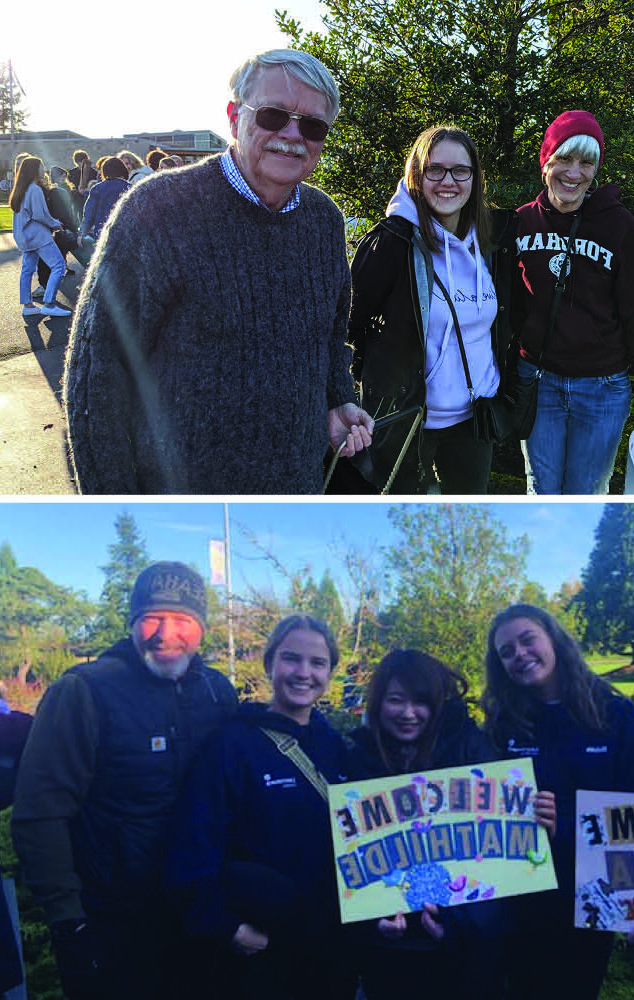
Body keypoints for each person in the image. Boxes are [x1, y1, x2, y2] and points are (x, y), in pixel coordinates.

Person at [61, 48, 372, 493]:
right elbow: (96, 372)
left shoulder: (324, 221)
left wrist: (337, 400)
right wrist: (115, 510)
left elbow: (329, 337)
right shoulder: (159, 209)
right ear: (233, 116)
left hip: (296, 497)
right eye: (272, 115)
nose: (291, 134)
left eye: (312, 124)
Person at [13, 562, 240, 1000]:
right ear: (133, 623)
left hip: (197, 915)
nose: (165, 632)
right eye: (152, 617)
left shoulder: (217, 691)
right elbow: (39, 815)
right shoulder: (84, 692)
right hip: (112, 923)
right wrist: (69, 923)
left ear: (202, 630)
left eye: (182, 620)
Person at [168, 616, 352, 1000]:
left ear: (330, 672)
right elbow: (193, 846)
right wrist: (226, 927)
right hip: (262, 947)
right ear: (269, 664)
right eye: (291, 659)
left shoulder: (335, 745)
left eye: (317, 663)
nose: (303, 673)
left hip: (328, 947)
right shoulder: (231, 745)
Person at [481, 604, 634, 1000]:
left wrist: (569, 823)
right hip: (521, 896)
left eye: (527, 640)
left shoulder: (614, 712)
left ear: (554, 639)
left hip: (594, 891)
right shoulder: (502, 722)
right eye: (506, 652)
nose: (519, 655)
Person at [348, 125, 513, 494]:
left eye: (460, 170)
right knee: (406, 527)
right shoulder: (390, 243)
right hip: (407, 420)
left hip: (475, 420)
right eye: (434, 170)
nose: (447, 181)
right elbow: (345, 328)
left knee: (467, 529)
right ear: (416, 176)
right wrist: (362, 389)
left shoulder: (490, 242)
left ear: (474, 178)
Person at [508, 110, 634, 494]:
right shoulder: (519, 223)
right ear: (546, 161)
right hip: (538, 383)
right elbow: (503, 306)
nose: (573, 173)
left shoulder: (618, 225)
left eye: (586, 162)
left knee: (586, 495)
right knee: (541, 489)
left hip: (602, 388)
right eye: (564, 159)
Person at [340, 649, 506, 1000]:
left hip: (463, 950)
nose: (408, 713)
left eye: (420, 702)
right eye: (395, 700)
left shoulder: (471, 749)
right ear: (378, 702)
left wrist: (459, 925)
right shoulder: (356, 759)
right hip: (391, 955)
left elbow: (502, 860)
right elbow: (344, 861)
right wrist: (371, 922)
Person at [12, 154, 77, 317]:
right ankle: (49, 303)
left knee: (27, 270)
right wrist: (56, 223)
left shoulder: (20, 189)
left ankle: (27, 305)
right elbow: (40, 215)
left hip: (25, 236)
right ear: (34, 169)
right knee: (59, 265)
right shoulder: (34, 189)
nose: (44, 169)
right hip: (38, 236)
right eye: (41, 166)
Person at [82, 156, 131, 241]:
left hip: (102, 233)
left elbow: (89, 214)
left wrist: (82, 233)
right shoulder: (131, 188)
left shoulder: (97, 188)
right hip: (126, 234)